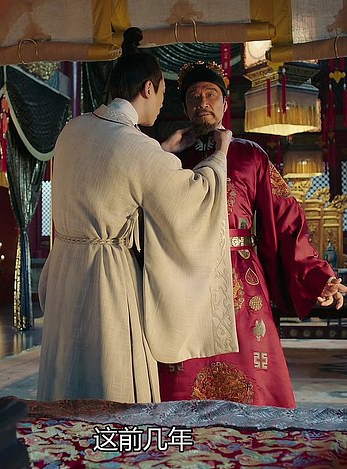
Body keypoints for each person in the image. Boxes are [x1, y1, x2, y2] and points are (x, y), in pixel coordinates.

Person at [37, 30, 240, 403]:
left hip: (65, 265)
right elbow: (194, 196)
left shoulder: (73, 129)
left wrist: (160, 150)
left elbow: (113, 176)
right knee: (110, 379)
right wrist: (220, 154)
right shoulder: (138, 147)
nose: (162, 104)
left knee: (66, 373)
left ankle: (64, 436)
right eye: (162, 93)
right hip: (106, 275)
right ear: (148, 88)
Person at [157, 61, 347, 408]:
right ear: (185, 106)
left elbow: (288, 220)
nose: (202, 102)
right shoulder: (169, 157)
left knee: (253, 368)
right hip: (185, 273)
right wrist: (161, 154)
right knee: (181, 376)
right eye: (193, 97)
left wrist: (318, 276)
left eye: (210, 94)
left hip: (241, 274)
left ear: (224, 103)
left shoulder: (250, 155)